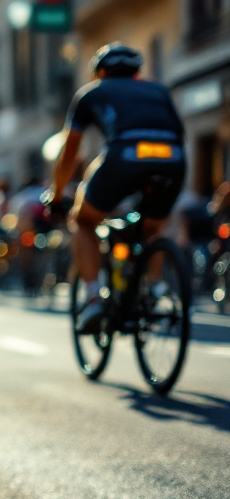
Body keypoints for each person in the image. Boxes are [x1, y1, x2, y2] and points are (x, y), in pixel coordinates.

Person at [47, 43, 187, 333]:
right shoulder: (159, 91)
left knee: (83, 221)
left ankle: (95, 298)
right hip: (173, 159)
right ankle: (156, 288)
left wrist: (57, 195)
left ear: (99, 73)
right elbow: (178, 133)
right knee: (151, 229)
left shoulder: (91, 93)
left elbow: (69, 152)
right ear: (137, 73)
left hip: (125, 156)